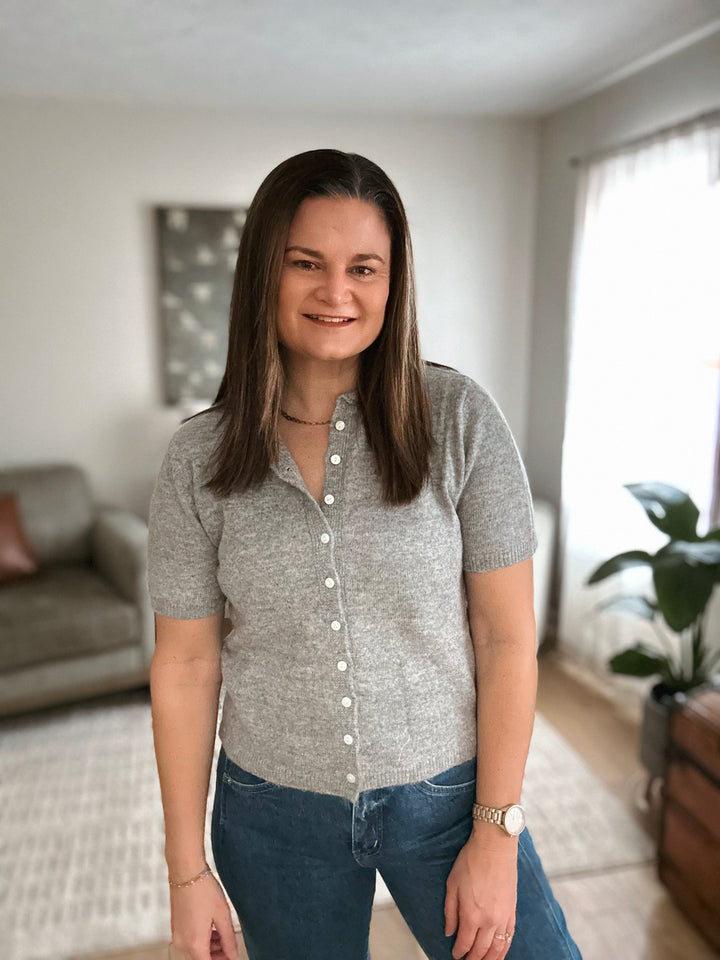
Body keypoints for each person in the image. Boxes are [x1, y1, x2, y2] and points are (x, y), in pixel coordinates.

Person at [147, 148, 582, 960]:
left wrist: (496, 833)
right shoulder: (195, 458)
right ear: (262, 273)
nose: (336, 292)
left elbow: (506, 638)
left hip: (453, 803)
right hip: (272, 819)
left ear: (394, 281)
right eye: (305, 262)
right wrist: (185, 871)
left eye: (364, 267)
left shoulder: (460, 421)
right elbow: (184, 667)